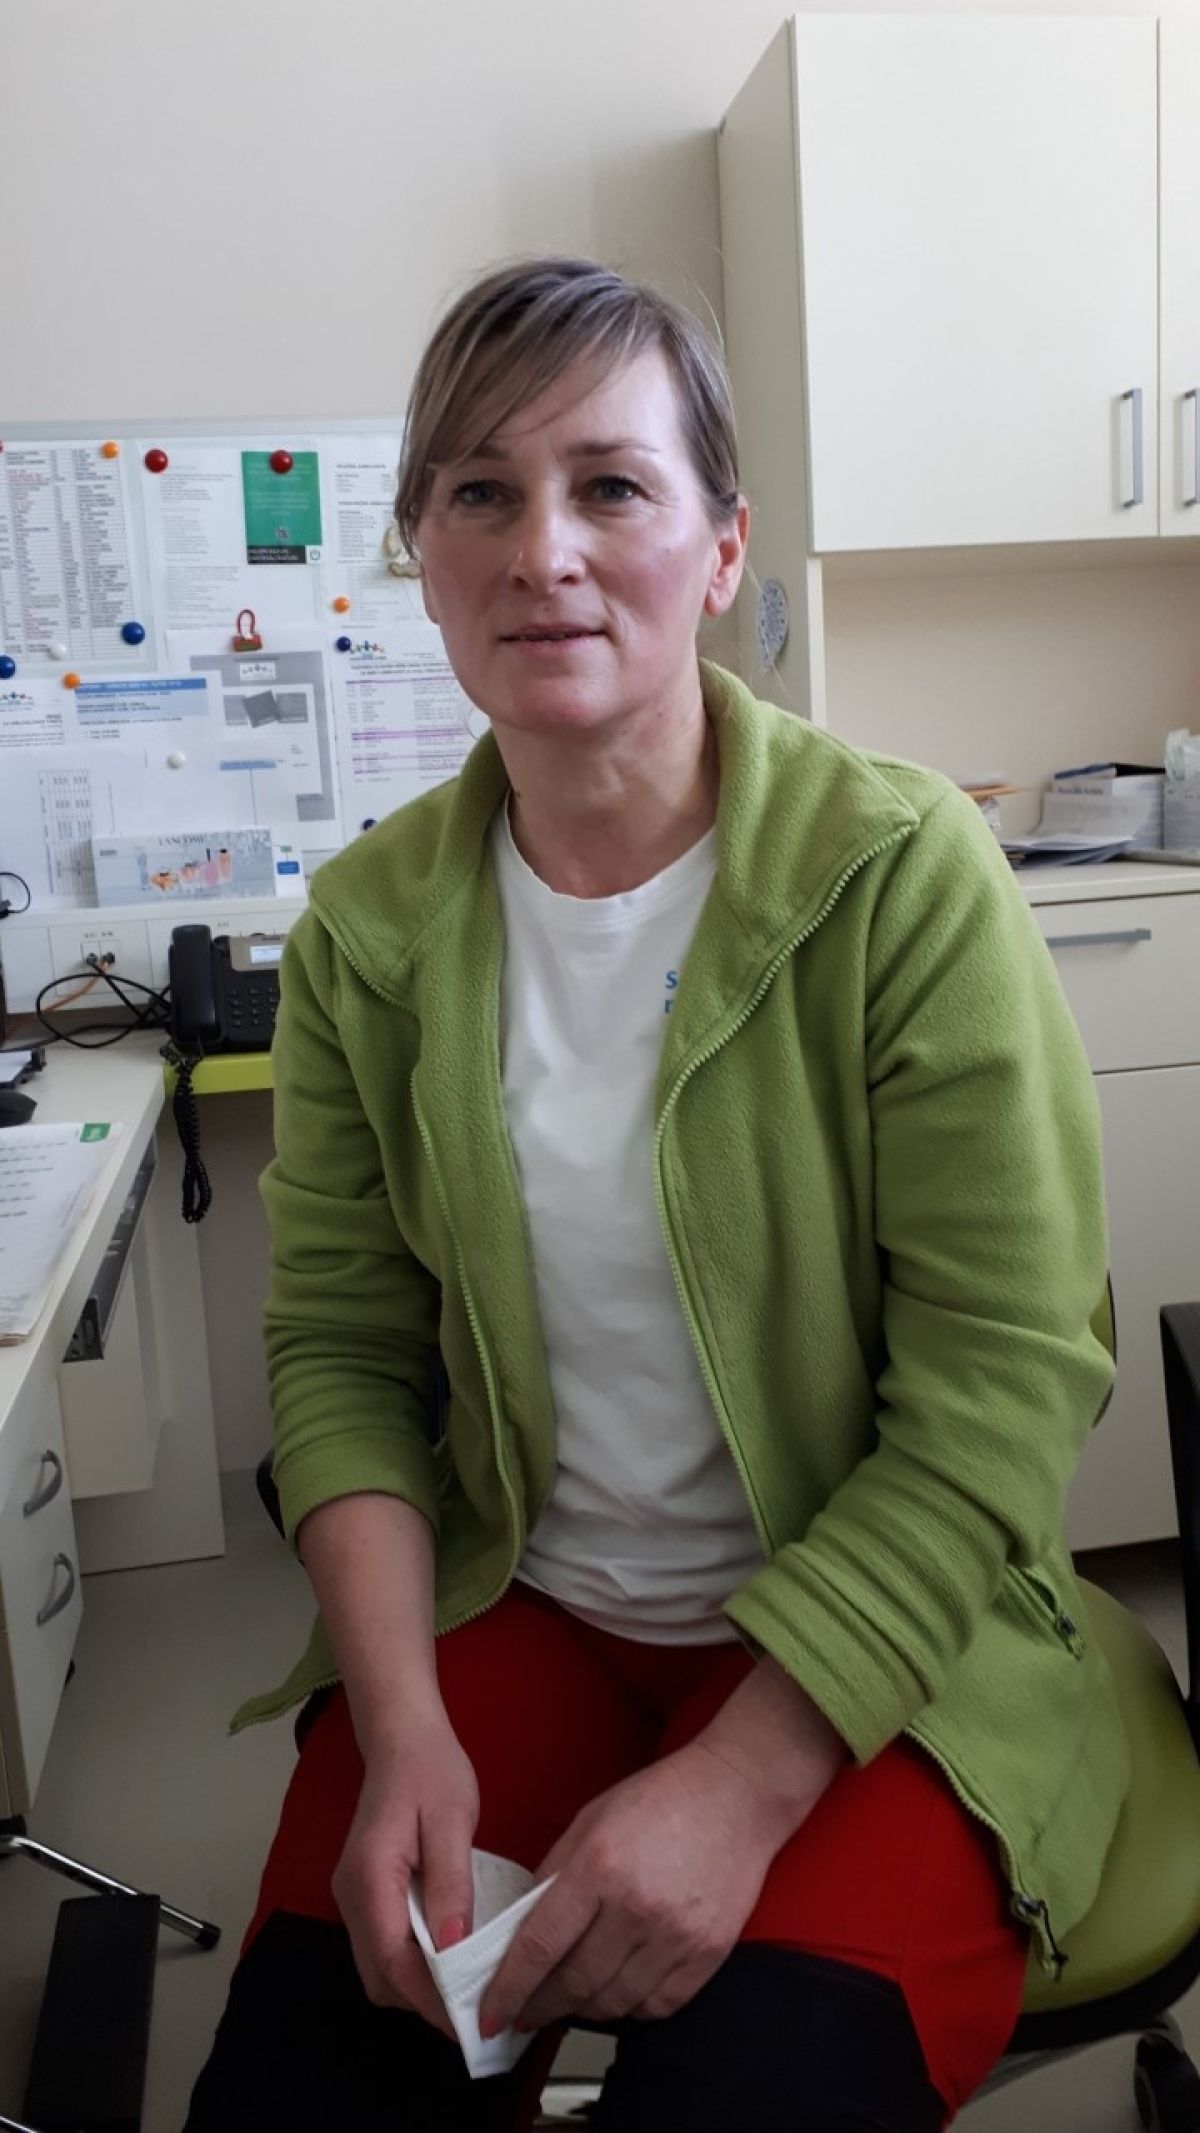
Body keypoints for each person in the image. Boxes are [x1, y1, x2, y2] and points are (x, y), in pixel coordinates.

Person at [184, 258, 1129, 2133]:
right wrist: (397, 1725)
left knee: (745, 2091)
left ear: (719, 549)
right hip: (521, 1603)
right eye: (481, 490)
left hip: (880, 1636)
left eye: (611, 485)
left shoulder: (901, 875)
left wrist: (746, 1780)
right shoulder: (369, 932)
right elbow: (345, 1356)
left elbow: (1006, 1384)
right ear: (423, 557)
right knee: (312, 2076)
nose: (543, 550)